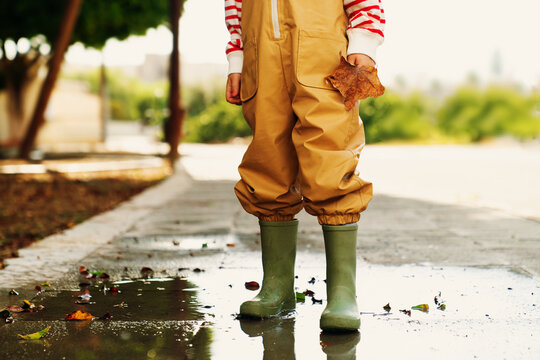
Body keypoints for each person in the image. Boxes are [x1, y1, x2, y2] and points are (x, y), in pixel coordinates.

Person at [224, 0, 385, 332]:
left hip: (324, 53)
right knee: (267, 162)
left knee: (330, 156)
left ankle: (342, 293)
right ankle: (277, 288)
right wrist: (236, 58)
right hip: (261, 54)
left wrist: (365, 42)